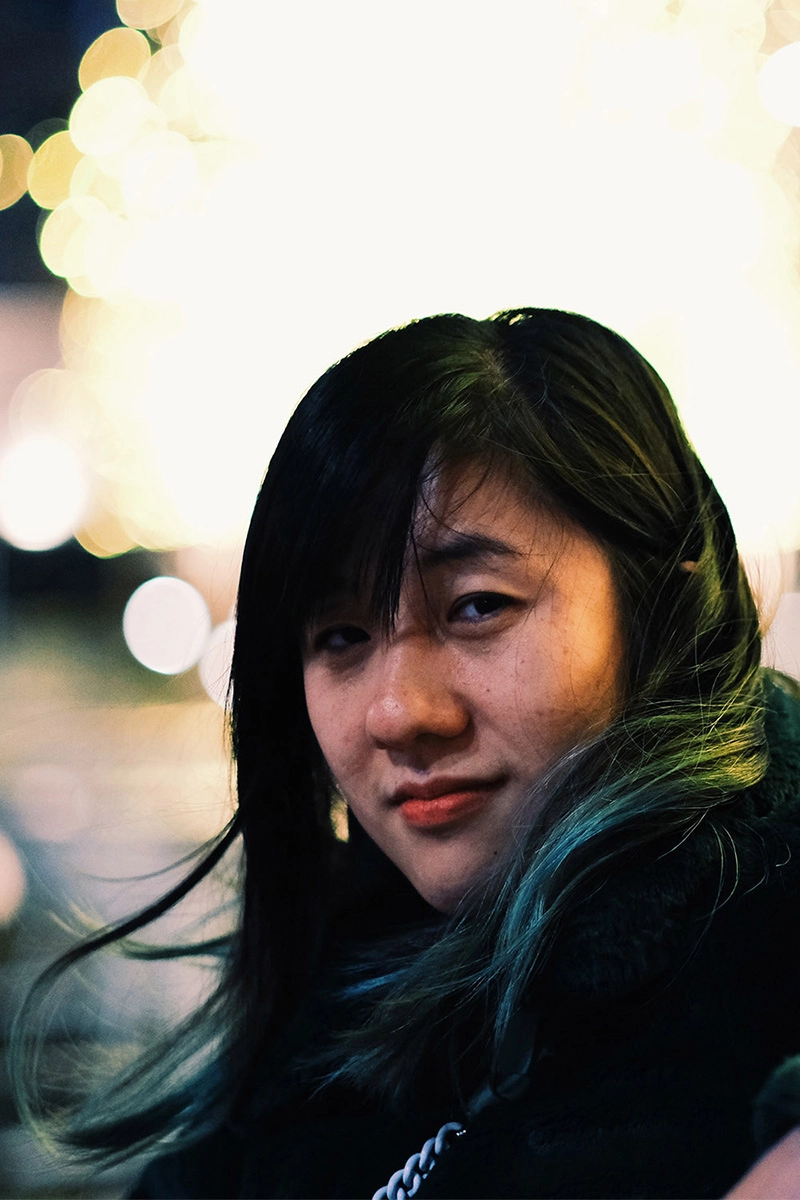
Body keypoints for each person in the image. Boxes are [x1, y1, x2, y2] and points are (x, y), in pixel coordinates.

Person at [12, 308, 800, 1198]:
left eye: (477, 607)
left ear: (661, 612)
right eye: (341, 634)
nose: (398, 713)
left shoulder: (759, 1008)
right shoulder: (337, 1014)